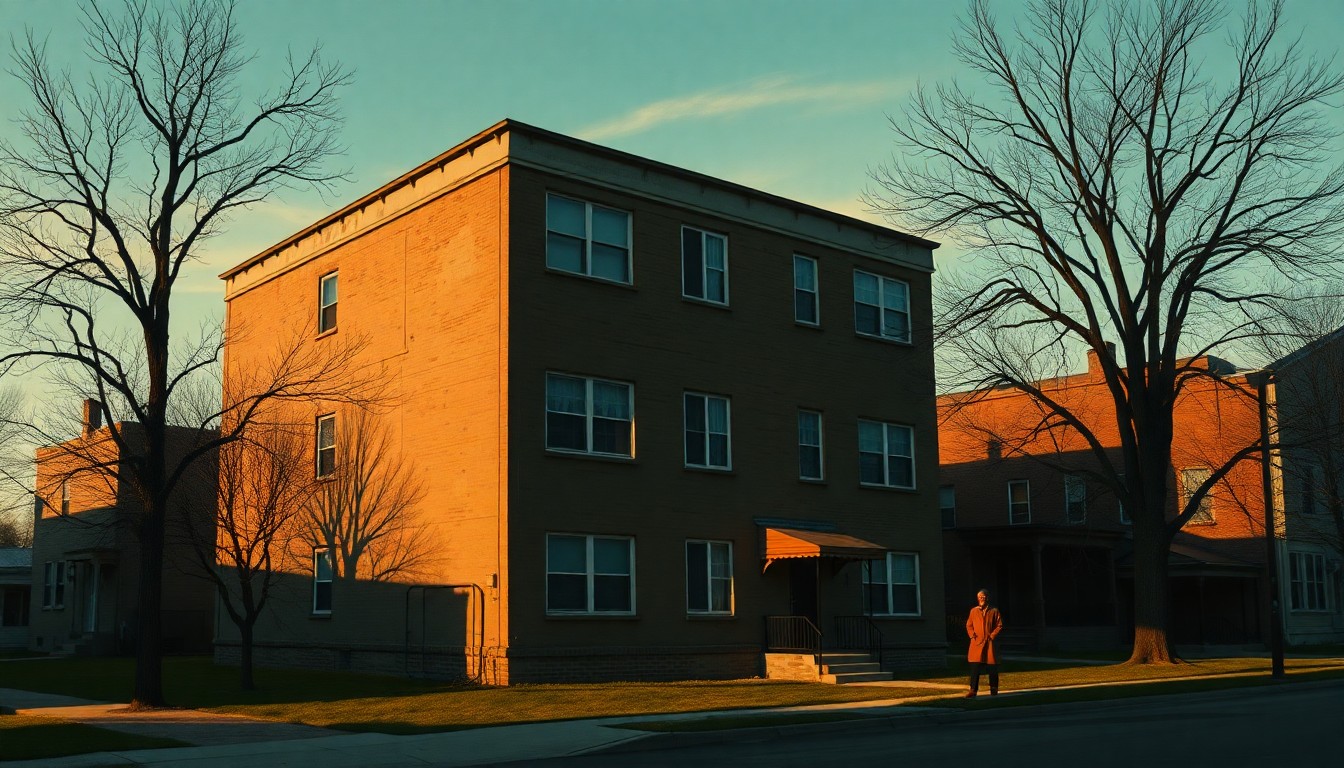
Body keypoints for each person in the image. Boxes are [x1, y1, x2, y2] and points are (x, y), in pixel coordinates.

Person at [965, 588, 1002, 698]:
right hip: (977, 643)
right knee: (975, 668)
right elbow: (969, 625)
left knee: (992, 668)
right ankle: (973, 690)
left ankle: (994, 689)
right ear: (977, 598)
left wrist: (992, 636)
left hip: (990, 644)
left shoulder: (994, 611)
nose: (982, 598)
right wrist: (972, 636)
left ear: (987, 598)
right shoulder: (973, 611)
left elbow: (999, 625)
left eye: (984, 596)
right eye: (980, 596)